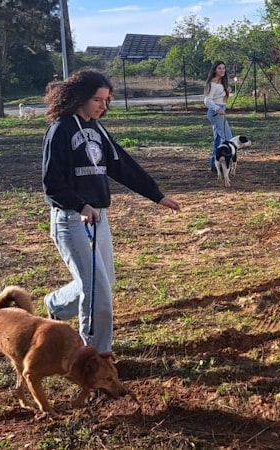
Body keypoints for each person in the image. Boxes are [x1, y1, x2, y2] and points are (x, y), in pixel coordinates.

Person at [42, 70, 181, 352]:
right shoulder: (61, 130)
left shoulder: (98, 129)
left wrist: (157, 195)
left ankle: (56, 305)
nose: (103, 106)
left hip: (98, 218)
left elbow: (122, 166)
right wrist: (80, 205)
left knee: (105, 281)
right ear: (80, 97)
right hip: (71, 220)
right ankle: (96, 354)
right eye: (97, 99)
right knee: (97, 290)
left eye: (106, 100)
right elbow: (51, 184)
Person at [204, 61, 233, 171]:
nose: (222, 70)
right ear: (215, 70)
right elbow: (207, 100)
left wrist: (227, 90)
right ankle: (224, 164)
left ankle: (214, 164)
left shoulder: (221, 82)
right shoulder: (213, 83)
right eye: (219, 68)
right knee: (227, 138)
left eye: (224, 68)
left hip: (221, 109)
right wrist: (217, 108)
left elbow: (219, 96)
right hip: (216, 112)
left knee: (218, 140)